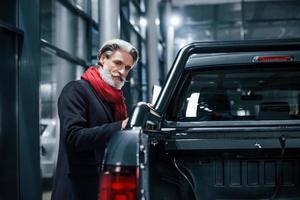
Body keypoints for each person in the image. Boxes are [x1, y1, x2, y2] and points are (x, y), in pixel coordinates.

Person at [51, 39, 139, 200]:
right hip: (77, 190)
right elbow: (74, 137)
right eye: (118, 63)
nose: (122, 72)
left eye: (127, 68)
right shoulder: (76, 90)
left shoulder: (117, 100)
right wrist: (121, 126)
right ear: (102, 58)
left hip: (103, 187)